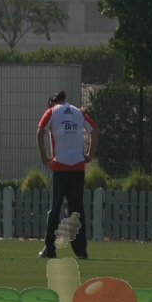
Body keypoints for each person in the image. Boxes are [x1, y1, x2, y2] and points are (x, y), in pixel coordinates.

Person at [36, 90, 100, 260]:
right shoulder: (79, 112)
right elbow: (94, 130)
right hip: (78, 167)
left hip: (60, 167)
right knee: (77, 210)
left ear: (51, 103)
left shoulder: (51, 112)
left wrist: (44, 157)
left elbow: (40, 131)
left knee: (55, 209)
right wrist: (90, 154)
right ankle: (81, 251)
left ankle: (50, 249)